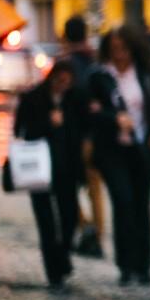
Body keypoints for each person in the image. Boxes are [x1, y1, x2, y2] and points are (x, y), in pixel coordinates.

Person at [88, 25, 150, 286]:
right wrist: (113, 118)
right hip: (113, 151)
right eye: (114, 50)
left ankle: (144, 266)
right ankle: (125, 266)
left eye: (123, 49)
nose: (119, 55)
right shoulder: (100, 76)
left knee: (142, 207)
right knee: (123, 203)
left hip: (141, 148)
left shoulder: (143, 74)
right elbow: (91, 112)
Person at [13, 60, 82, 290]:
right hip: (39, 167)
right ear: (53, 77)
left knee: (69, 217)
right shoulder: (34, 97)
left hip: (67, 168)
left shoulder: (73, 99)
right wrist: (47, 123)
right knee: (46, 222)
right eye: (60, 80)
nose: (64, 85)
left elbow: (81, 129)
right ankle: (54, 272)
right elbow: (20, 130)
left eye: (67, 82)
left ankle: (62, 257)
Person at [60, 15, 105, 258]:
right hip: (95, 134)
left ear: (65, 36)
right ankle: (97, 236)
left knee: (66, 187)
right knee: (94, 188)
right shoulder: (95, 60)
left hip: (73, 136)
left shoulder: (65, 65)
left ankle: (86, 227)